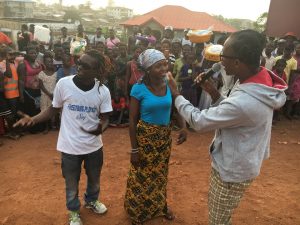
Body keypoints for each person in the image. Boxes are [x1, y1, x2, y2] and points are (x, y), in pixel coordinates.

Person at [166, 29, 287, 225]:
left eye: (224, 57)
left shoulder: (245, 101)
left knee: (218, 220)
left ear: (238, 62)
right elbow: (236, 114)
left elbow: (198, 121)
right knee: (223, 216)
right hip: (242, 159)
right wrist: (215, 94)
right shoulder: (260, 79)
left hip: (231, 171)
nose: (220, 62)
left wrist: (175, 94)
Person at [14, 50, 112, 225]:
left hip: (94, 147)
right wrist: (33, 119)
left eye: (85, 65)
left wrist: (100, 129)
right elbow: (53, 109)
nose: (79, 66)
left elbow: (105, 118)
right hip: (69, 147)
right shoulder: (64, 84)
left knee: (94, 178)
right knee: (71, 182)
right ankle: (73, 210)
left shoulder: (102, 91)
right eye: (79, 62)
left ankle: (91, 201)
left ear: (97, 71)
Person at [124, 49, 187, 225]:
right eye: (158, 66)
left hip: (163, 137)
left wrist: (183, 126)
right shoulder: (138, 88)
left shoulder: (169, 83)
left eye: (164, 64)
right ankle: (137, 211)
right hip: (145, 137)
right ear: (148, 69)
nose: (163, 68)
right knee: (141, 175)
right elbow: (132, 120)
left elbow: (177, 103)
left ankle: (160, 206)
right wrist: (134, 149)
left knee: (160, 174)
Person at [37, 53, 57, 133]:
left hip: (54, 95)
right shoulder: (41, 74)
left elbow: (58, 84)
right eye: (48, 62)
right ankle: (46, 127)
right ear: (44, 63)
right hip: (45, 95)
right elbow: (41, 86)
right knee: (45, 111)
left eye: (51, 62)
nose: (50, 63)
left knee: (55, 110)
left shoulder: (56, 73)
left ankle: (54, 125)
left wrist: (54, 94)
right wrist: (49, 94)